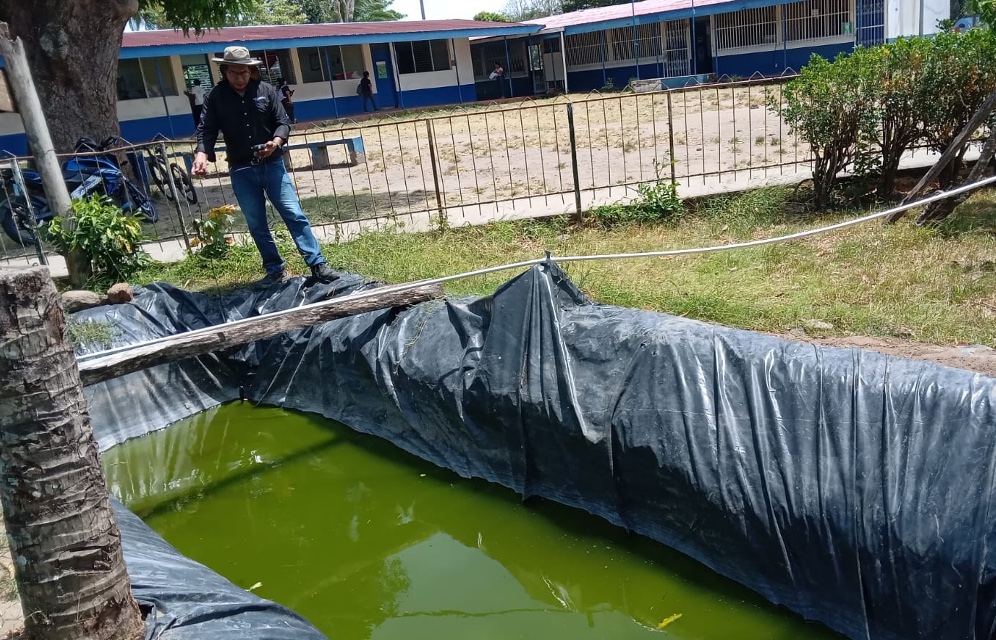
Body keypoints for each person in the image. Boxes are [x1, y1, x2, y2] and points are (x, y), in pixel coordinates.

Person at [192, 46, 338, 286]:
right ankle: (275, 270)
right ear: (225, 71)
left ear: (250, 71)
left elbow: (283, 122)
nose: (240, 78)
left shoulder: (265, 90)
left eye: (244, 72)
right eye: (234, 73)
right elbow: (206, 129)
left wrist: (275, 142)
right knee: (256, 224)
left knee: (294, 214)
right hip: (241, 169)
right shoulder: (215, 97)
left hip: (272, 166)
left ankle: (318, 265)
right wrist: (201, 154)